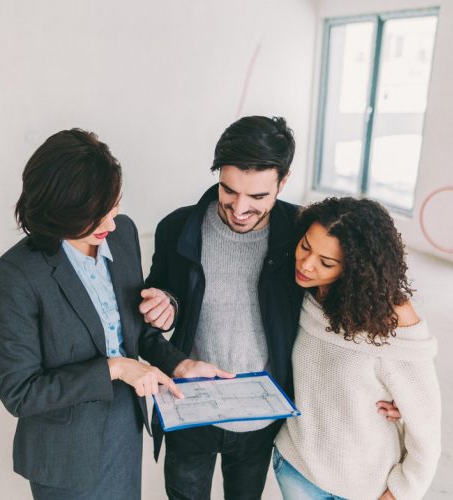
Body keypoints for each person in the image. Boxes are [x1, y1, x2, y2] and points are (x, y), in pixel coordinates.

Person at [139, 116, 401, 500]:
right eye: (228, 190)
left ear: (283, 181)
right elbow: (147, 319)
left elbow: (360, 302)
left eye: (258, 197)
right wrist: (167, 314)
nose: (240, 208)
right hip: (189, 409)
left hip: (262, 418)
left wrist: (389, 384)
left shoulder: (299, 234)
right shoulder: (176, 228)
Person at [0, 129, 229, 500]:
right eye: (95, 216)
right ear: (57, 212)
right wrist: (114, 368)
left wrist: (180, 365)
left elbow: (133, 335)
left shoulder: (121, 234)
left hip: (124, 424)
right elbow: (20, 392)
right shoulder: (16, 276)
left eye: (114, 206)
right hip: (66, 452)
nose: (111, 224)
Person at [273, 197, 442, 500]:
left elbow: (426, 426)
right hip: (296, 468)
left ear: (356, 268)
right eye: (305, 246)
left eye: (326, 262)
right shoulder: (298, 295)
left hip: (365, 487)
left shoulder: (392, 320)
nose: (307, 264)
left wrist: (403, 491)